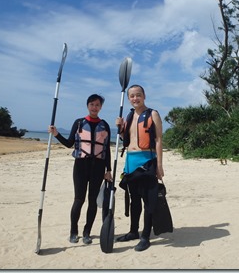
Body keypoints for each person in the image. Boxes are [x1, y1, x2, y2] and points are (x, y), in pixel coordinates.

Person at [48, 94, 112, 245]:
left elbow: (107, 150)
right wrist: (56, 134)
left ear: (101, 107)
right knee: (79, 199)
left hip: (98, 167)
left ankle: (87, 232)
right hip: (80, 166)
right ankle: (73, 232)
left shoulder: (105, 125)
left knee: (92, 201)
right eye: (92, 104)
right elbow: (70, 143)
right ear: (87, 105)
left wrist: (108, 170)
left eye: (97, 105)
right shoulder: (79, 123)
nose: (94, 107)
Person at [115, 84, 164, 252]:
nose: (135, 98)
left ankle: (145, 236)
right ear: (129, 98)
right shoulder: (128, 116)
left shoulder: (153, 114)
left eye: (138, 95)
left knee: (148, 201)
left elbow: (158, 140)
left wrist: (159, 165)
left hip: (147, 161)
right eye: (132, 96)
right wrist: (120, 128)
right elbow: (126, 140)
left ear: (144, 96)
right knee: (133, 200)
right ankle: (133, 231)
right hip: (130, 161)